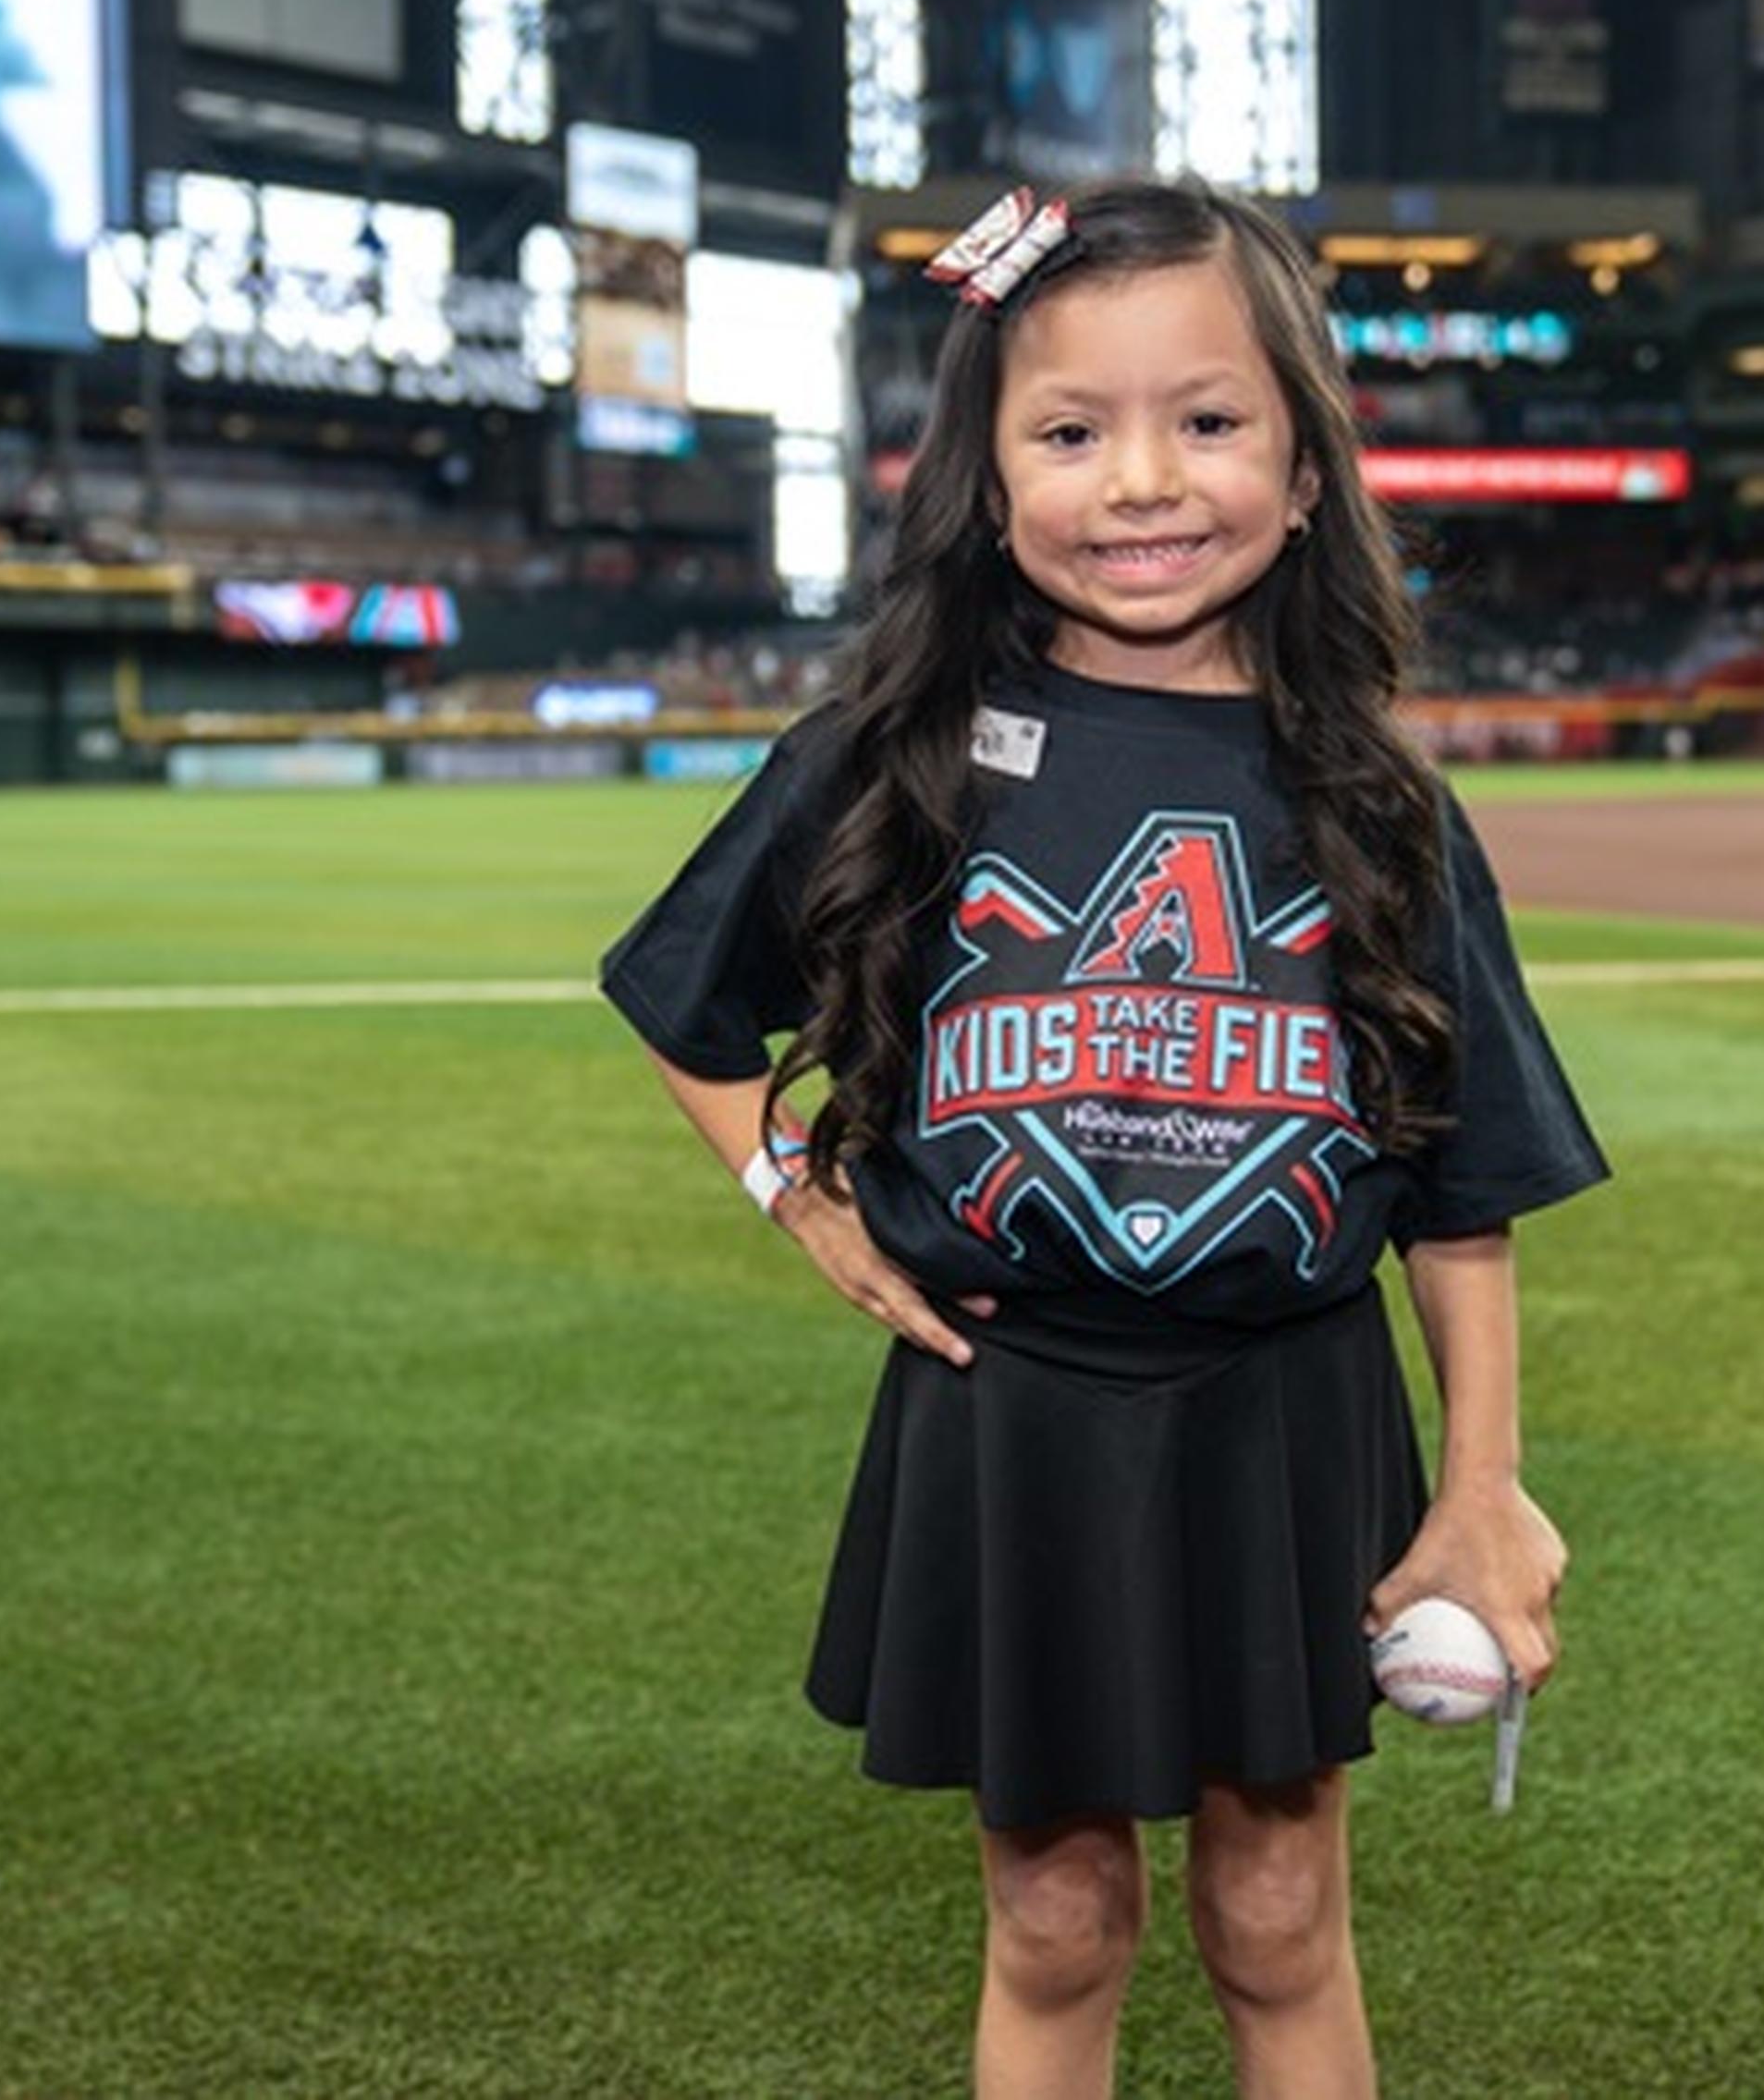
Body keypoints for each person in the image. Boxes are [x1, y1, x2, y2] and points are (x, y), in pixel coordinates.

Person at [599, 177, 1606, 2098]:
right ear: (986, 474)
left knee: (1282, 1909)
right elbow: (684, 1000)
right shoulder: (892, 746)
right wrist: (792, 1190)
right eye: (1071, 429)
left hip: (1287, 1399)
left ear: (1307, 466)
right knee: (1056, 1917)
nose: (1143, 479)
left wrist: (1484, 1486)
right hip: (1016, 1398)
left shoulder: (1376, 794)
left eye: (1208, 420)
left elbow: (1460, 1183)